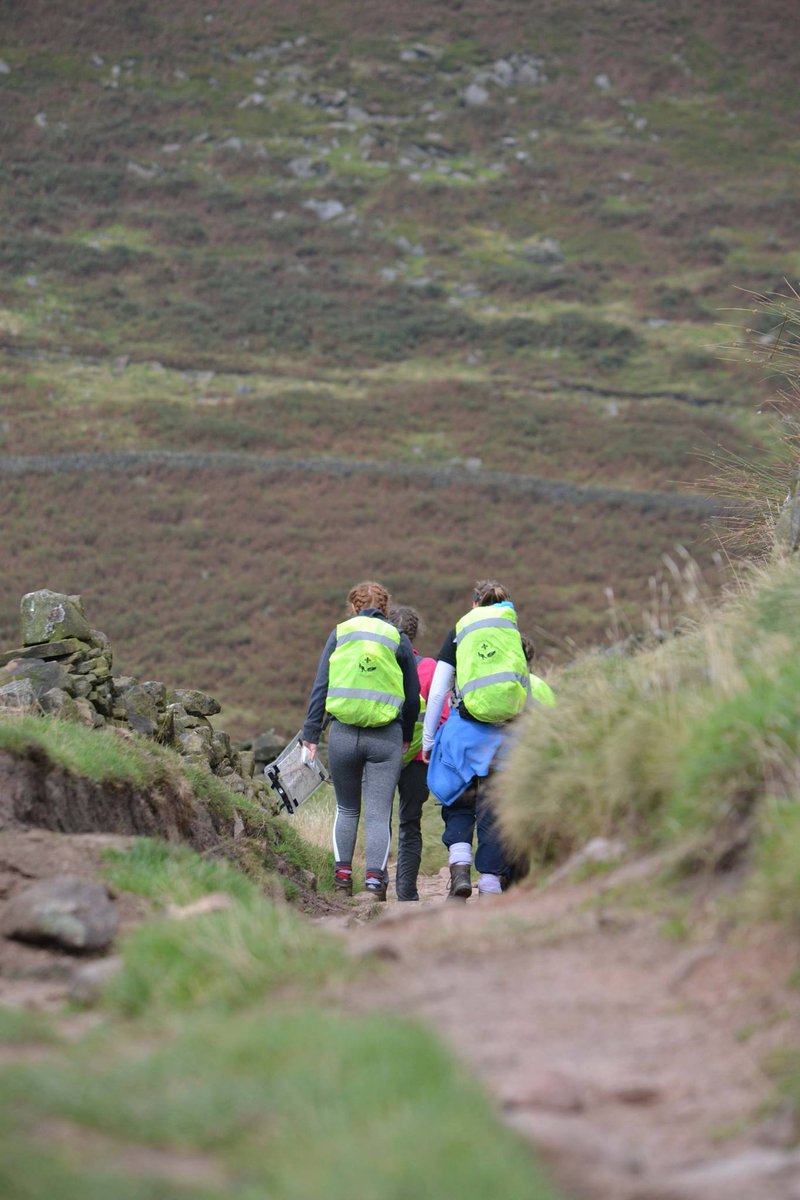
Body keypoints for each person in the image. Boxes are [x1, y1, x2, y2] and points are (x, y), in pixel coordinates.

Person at [302, 581, 420, 902]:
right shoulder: (398, 638)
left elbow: (321, 686)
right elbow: (412, 698)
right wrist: (407, 734)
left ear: (353, 607)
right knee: (379, 813)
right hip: (386, 737)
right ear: (385, 609)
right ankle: (373, 885)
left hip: (342, 734)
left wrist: (310, 734)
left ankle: (342, 881)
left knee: (347, 808)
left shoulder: (340, 633)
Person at [422, 580, 529, 901]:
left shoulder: (461, 632)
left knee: (457, 798)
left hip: (464, 731)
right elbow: (526, 690)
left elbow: (439, 690)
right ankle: (491, 884)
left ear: (474, 605)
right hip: (506, 736)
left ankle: (458, 867)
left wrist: (428, 739)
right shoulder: (514, 636)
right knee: (494, 806)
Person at [388, 605, 448, 902]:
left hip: (381, 753)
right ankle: (406, 893)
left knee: (378, 819)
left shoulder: (381, 661)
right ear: (415, 634)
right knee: (410, 822)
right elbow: (444, 716)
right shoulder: (430, 668)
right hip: (417, 758)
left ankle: (374, 887)